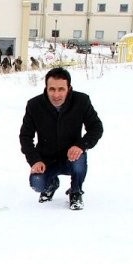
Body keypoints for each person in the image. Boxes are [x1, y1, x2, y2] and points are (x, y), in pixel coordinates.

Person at [19, 67, 103, 210]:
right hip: (46, 159)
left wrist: (81, 145)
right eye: (52, 89)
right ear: (46, 88)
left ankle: (75, 192)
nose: (56, 94)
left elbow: (96, 127)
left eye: (61, 89)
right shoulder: (34, 105)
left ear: (68, 88)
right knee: (37, 183)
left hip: (71, 157)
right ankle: (51, 184)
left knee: (79, 161)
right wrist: (35, 160)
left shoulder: (81, 101)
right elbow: (25, 137)